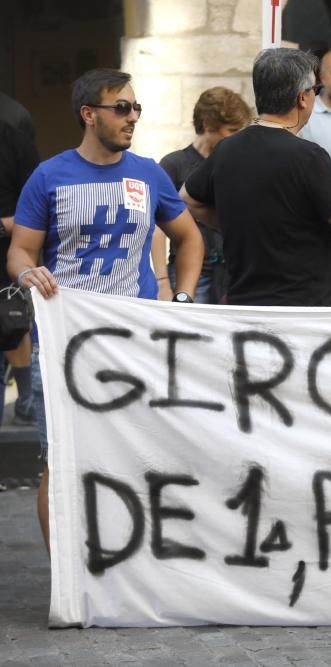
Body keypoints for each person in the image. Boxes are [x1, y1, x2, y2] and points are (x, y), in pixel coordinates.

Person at [9, 68, 205, 550]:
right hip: (64, 341)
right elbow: (20, 250)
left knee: (138, 455)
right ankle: (65, 580)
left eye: (136, 108)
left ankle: (131, 564)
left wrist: (180, 297)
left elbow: (189, 238)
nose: (132, 117)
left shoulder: (148, 173)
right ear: (89, 114)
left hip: (135, 341)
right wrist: (25, 273)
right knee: (60, 459)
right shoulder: (49, 175)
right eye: (122, 108)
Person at [182, 48, 331, 307]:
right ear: (302, 97)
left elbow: (188, 198)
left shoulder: (227, 149)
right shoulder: (308, 156)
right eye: (316, 91)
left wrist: (236, 226)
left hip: (244, 302)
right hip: (302, 307)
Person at [152, 87, 251, 304]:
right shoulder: (175, 164)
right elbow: (157, 227)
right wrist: (162, 282)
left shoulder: (239, 162)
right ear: (208, 126)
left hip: (235, 272)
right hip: (191, 274)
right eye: (232, 130)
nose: (238, 137)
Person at [0, 121, 39, 429]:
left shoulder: (12, 128)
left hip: (8, 254)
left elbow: (33, 213)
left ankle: (26, 400)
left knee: (13, 324)